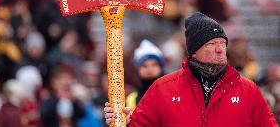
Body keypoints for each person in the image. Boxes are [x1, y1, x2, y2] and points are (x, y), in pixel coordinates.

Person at [104, 12, 278, 126]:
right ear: (194, 51)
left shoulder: (248, 90)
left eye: (223, 44)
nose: (220, 49)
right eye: (211, 44)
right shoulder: (162, 89)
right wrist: (121, 122)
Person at [126, 39, 165, 109]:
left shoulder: (171, 92)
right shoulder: (132, 99)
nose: (149, 69)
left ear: (161, 67)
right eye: (144, 66)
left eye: (154, 65)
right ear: (137, 70)